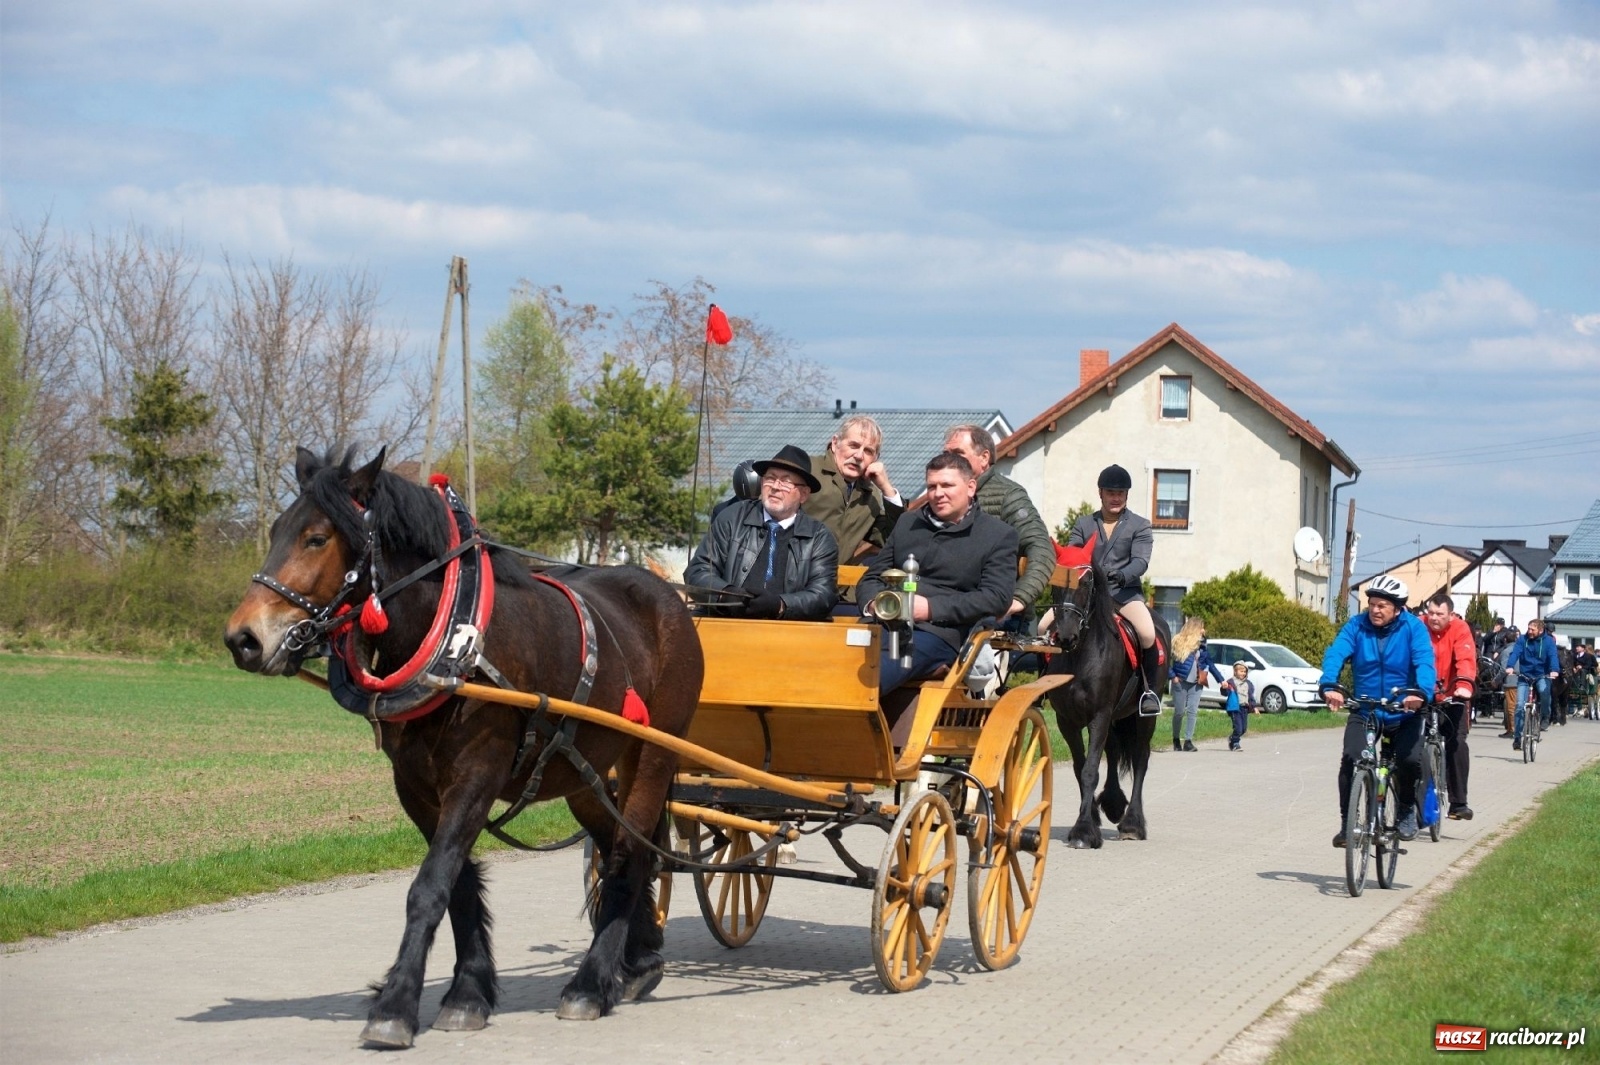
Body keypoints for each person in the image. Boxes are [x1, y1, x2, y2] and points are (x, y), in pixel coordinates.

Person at [857, 451, 1017, 696]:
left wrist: (929, 608)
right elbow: (872, 577)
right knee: (831, 658)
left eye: (947, 485)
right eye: (932, 486)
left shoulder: (997, 535)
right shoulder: (907, 524)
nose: (938, 493)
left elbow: (995, 598)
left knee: (873, 674)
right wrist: (875, 603)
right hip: (881, 624)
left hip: (939, 634)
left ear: (971, 487)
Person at [1318, 575, 1437, 846]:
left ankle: (1406, 810)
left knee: (1409, 761)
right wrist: (1329, 685)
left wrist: (1421, 693)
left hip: (1404, 710)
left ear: (1397, 608)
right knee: (1351, 758)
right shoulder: (1356, 626)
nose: (1375, 610)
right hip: (1366, 708)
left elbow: (1424, 662)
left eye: (1382, 605)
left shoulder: (1413, 629)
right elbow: (1336, 653)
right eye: (1372, 604)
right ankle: (1347, 823)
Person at [684, 445, 839, 621]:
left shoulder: (818, 537)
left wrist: (780, 605)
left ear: (803, 494)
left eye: (786, 482)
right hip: (728, 622)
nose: (775, 487)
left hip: (790, 632)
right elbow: (697, 572)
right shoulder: (732, 518)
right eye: (770, 479)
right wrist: (726, 595)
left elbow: (823, 594)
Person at [1066, 464, 1163, 715]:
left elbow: (1140, 561)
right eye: (1111, 492)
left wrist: (1122, 575)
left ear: (1127, 495)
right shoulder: (1084, 524)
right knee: (1046, 627)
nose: (1116, 497)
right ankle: (1046, 683)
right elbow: (1073, 555)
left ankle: (1149, 691)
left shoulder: (1140, 525)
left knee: (1147, 634)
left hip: (1124, 594)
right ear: (1101, 493)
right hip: (1088, 596)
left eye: (1121, 493)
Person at [940, 424, 1056, 624]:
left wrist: (1019, 599)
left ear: (984, 458)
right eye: (946, 454)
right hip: (947, 609)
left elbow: (1041, 547)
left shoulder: (1009, 495)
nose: (950, 460)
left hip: (1000, 619)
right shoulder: (940, 496)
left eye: (959, 453)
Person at [805, 414, 905, 564]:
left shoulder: (871, 496)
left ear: (875, 458)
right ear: (835, 443)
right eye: (854, 446)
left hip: (837, 585)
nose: (858, 456)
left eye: (868, 451)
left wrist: (887, 489)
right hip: (791, 582)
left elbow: (893, 538)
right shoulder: (807, 470)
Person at [1423, 593, 1476, 820]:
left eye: (1440, 614)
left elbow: (1465, 658)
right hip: (1423, 694)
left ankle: (1458, 803)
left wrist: (1463, 685)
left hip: (1453, 693)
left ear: (1451, 615)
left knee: (1456, 743)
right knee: (1411, 744)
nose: (1434, 618)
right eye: (1431, 612)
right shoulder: (1419, 626)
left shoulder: (1460, 629)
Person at [1168, 617, 1224, 752]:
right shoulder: (1178, 641)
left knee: (1192, 712)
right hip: (1181, 682)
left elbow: (1209, 663)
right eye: (1202, 627)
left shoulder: (1202, 645)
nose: (1203, 630)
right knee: (1179, 712)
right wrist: (1172, 677)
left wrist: (1221, 680)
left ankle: (1188, 741)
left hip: (1197, 683)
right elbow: (1165, 662)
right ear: (1195, 628)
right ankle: (1176, 739)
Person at [1504, 617, 1559, 751]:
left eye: (1532, 629)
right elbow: (1515, 653)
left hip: (1542, 674)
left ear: (1540, 630)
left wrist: (1554, 670)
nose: (1529, 631)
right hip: (1525, 675)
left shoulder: (1548, 642)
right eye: (1528, 628)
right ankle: (1517, 737)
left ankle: (1545, 716)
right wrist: (1510, 666)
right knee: (1519, 705)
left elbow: (1553, 656)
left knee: (1544, 691)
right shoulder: (1522, 639)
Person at [1224, 660, 1259, 752]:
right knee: (1238, 728)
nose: (1243, 673)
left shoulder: (1248, 684)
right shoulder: (1231, 682)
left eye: (1244, 672)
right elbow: (1225, 693)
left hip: (1245, 708)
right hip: (1235, 708)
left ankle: (1232, 738)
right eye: (1241, 671)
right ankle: (1235, 743)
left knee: (1243, 729)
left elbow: (1250, 696)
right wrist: (1224, 687)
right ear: (1235, 671)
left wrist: (1254, 707)